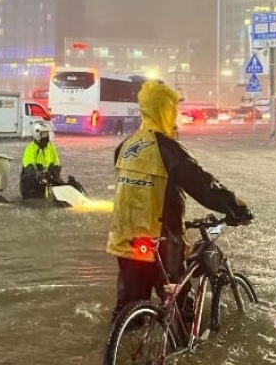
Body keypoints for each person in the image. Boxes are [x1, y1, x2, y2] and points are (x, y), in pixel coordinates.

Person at [106, 80, 253, 322]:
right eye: (173, 110)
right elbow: (204, 186)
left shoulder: (125, 146)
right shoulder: (169, 149)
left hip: (126, 241)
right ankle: (182, 353)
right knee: (180, 306)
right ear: (164, 111)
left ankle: (119, 353)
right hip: (163, 242)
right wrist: (235, 206)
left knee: (128, 310)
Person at [19, 122, 86, 200]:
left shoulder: (51, 147)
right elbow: (29, 169)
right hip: (31, 187)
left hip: (45, 183)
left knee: (68, 186)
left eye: (47, 134)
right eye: (44, 134)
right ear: (37, 134)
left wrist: (57, 176)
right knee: (38, 202)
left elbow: (56, 163)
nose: (46, 136)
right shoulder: (30, 149)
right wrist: (39, 176)